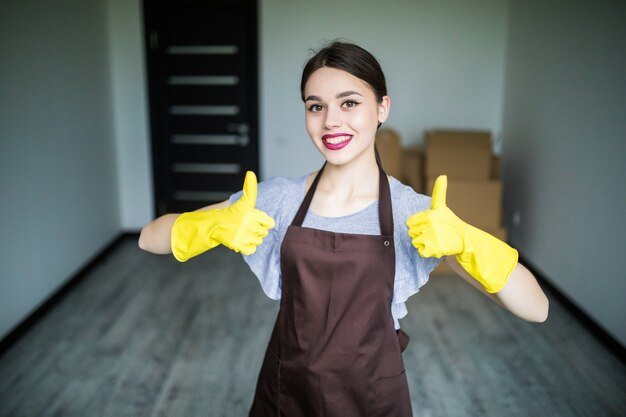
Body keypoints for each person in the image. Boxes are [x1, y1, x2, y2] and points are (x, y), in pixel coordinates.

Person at [138, 41, 549, 417]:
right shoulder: (278, 201)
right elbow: (150, 237)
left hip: (372, 399)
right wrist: (212, 225)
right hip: (287, 394)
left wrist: (466, 241)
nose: (331, 121)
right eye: (315, 106)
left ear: (382, 108)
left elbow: (535, 307)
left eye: (349, 102)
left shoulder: (414, 214)